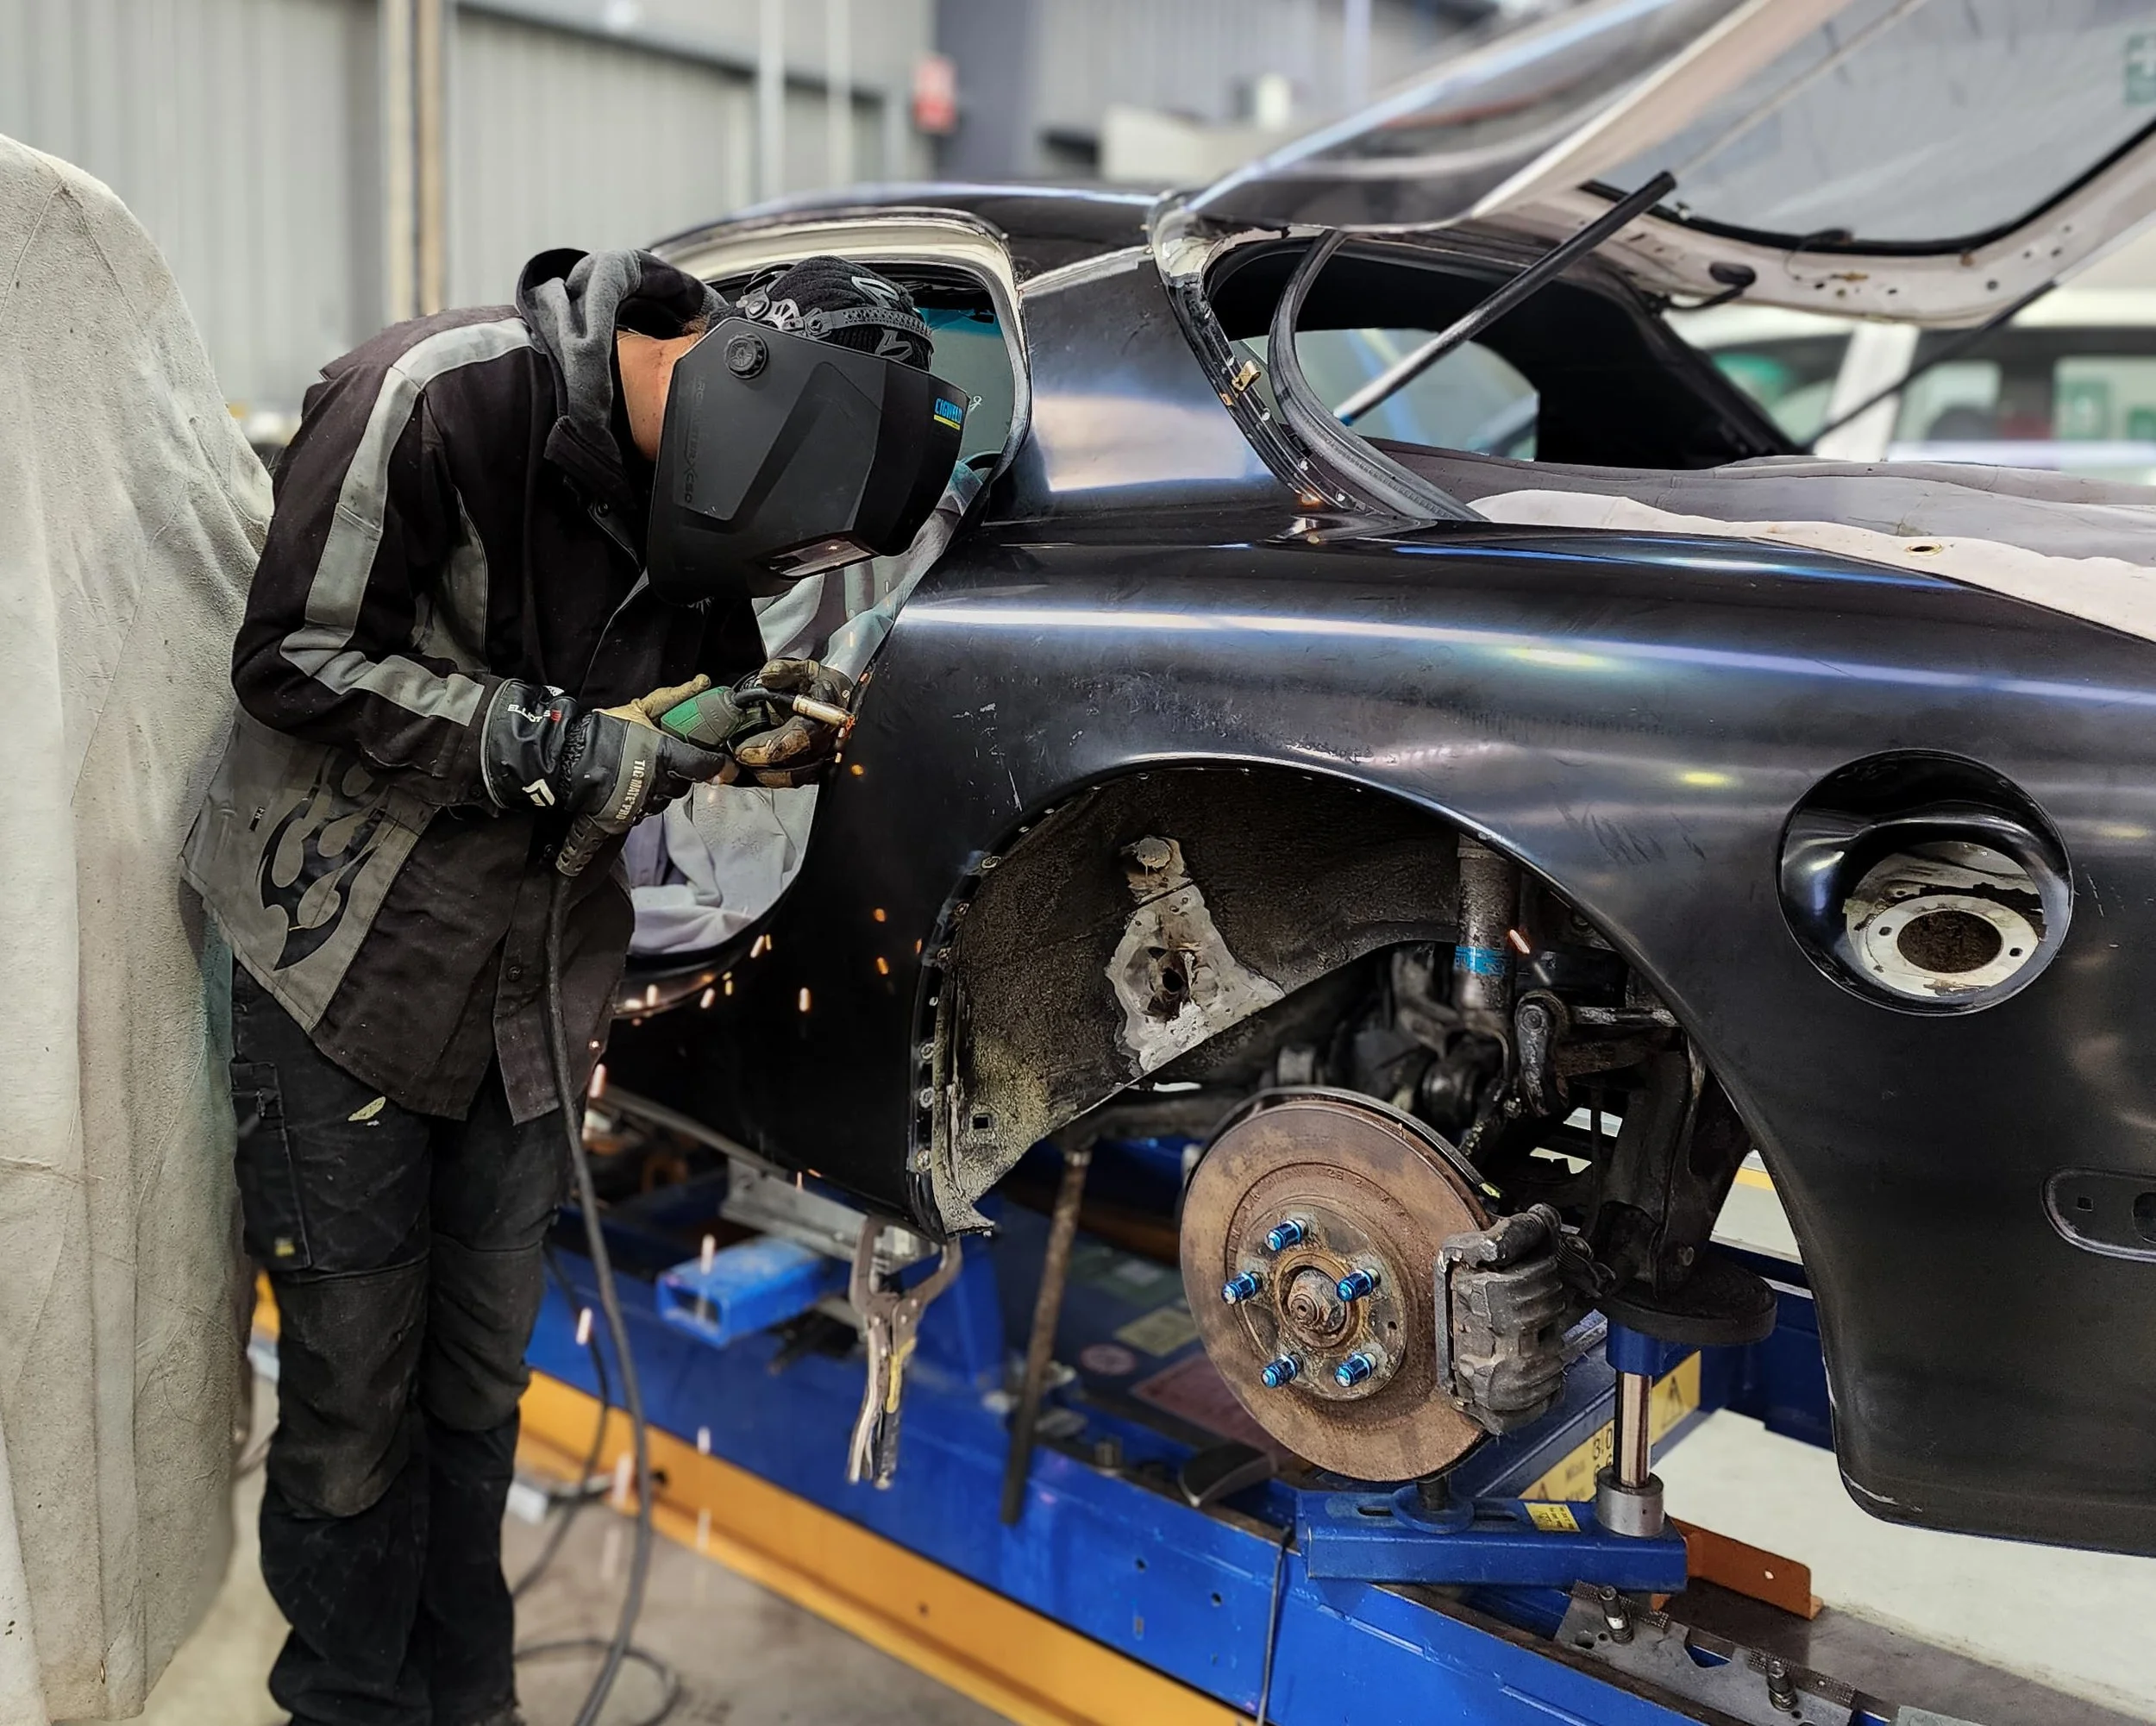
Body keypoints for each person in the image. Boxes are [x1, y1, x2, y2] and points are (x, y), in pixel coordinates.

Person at [182, 248, 938, 1726]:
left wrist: (737, 726)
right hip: (342, 971)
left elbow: (678, 710)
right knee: (351, 1410)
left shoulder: (725, 514)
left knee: (474, 1393)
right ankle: (349, 1705)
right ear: (738, 406)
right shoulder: (441, 401)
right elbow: (289, 658)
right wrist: (547, 740)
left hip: (532, 997)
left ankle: (465, 1705)